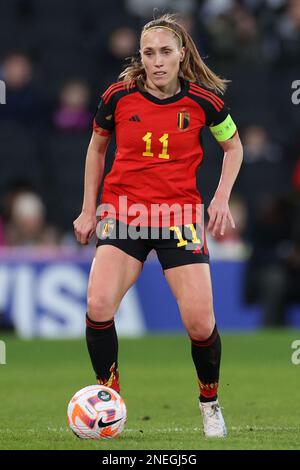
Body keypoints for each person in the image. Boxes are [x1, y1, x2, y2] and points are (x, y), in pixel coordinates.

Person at [73, 13, 243, 438]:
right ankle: (108, 398)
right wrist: (88, 208)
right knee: (98, 306)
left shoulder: (206, 101)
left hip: (179, 218)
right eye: (149, 53)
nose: (157, 61)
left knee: (201, 325)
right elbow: (96, 149)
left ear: (182, 54)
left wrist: (220, 197)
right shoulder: (118, 96)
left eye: (166, 52)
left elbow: (234, 147)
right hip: (124, 213)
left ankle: (210, 403)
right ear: (142, 56)